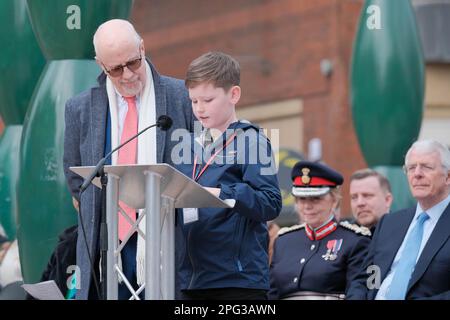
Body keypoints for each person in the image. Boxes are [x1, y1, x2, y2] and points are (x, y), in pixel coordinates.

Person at [63, 19, 194, 300]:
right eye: (115, 69)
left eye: (133, 62)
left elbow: (201, 168)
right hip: (108, 242)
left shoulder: (182, 96)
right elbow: (76, 178)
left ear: (143, 48)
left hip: (168, 241)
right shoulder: (80, 109)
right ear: (100, 65)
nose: (127, 75)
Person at [175, 51, 282, 300]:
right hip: (191, 279)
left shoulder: (251, 141)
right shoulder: (188, 145)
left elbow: (270, 202)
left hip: (236, 281)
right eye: (193, 101)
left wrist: (221, 194)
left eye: (208, 100)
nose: (199, 109)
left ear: (233, 94)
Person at [347, 139, 450, 300]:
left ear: (448, 176)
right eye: (411, 168)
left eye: (426, 167)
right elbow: (368, 277)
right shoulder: (390, 223)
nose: (417, 174)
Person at [269, 161, 371, 300]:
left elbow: (357, 291)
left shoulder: (355, 241)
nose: (307, 206)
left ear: (334, 200)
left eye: (315, 199)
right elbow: (271, 293)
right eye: (301, 199)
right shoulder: (283, 241)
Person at [349, 168, 393, 233]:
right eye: (354, 197)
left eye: (367, 196)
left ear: (387, 200)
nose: (359, 203)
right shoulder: (344, 236)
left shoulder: (404, 233)